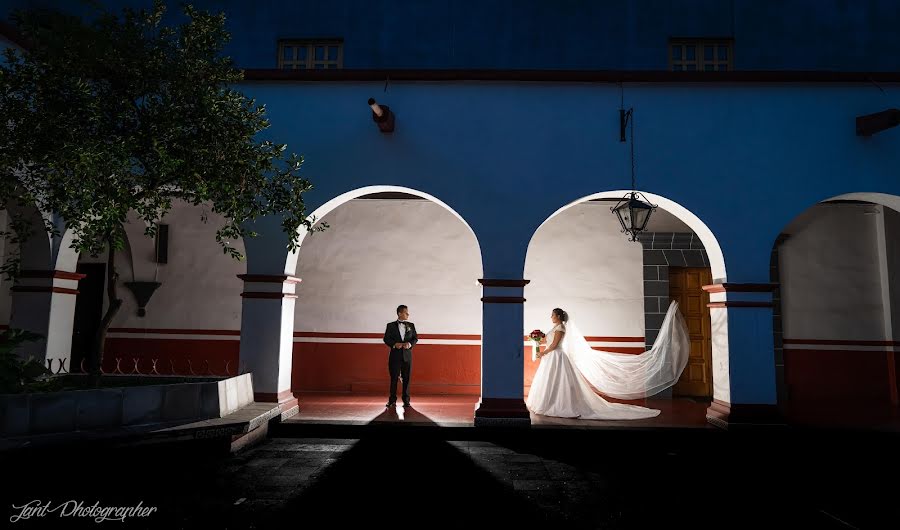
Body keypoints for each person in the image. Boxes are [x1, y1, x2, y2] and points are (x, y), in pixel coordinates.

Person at [526, 302, 690, 420]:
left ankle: (560, 405)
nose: (551, 317)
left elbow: (554, 345)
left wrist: (542, 353)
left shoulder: (561, 328)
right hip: (552, 358)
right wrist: (537, 340)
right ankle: (549, 402)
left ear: (558, 316)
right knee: (551, 382)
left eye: (552, 314)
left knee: (558, 382)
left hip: (556, 357)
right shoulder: (555, 327)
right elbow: (549, 342)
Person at [383, 304, 418, 407]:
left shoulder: (411, 325)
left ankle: (406, 401)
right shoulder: (390, 325)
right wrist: (394, 344)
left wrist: (410, 344)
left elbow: (415, 338)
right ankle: (392, 400)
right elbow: (386, 339)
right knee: (394, 378)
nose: (408, 314)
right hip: (395, 356)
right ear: (399, 313)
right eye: (406, 312)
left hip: (407, 356)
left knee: (407, 378)